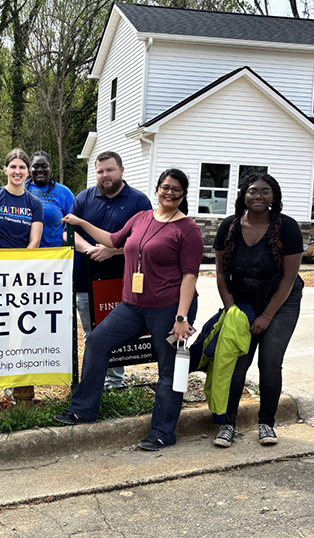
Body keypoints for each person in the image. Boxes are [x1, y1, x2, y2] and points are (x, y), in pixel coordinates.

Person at [56, 169, 203, 451]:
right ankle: (83, 410)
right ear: (157, 189)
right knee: (97, 341)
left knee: (169, 369)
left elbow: (189, 276)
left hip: (170, 309)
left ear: (183, 193)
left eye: (175, 189)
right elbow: (113, 241)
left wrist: (182, 318)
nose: (169, 193)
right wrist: (81, 222)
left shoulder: (188, 229)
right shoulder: (141, 218)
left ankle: (163, 432)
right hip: (133, 306)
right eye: (164, 187)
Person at [213, 172, 304, 448]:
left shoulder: (287, 228)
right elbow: (220, 273)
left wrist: (267, 316)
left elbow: (288, 278)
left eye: (265, 192)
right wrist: (231, 310)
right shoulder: (228, 226)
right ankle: (227, 425)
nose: (258, 197)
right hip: (242, 303)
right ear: (243, 194)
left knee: (269, 363)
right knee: (237, 362)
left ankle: (266, 423)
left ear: (273, 197)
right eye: (253, 191)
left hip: (282, 301)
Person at [71, 152, 152, 390]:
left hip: (123, 281)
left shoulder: (138, 201)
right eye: (100, 171)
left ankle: (115, 382)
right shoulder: (84, 198)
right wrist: (88, 250)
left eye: (110, 170)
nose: (105, 175)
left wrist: (112, 251)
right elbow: (70, 231)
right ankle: (93, 382)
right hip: (86, 280)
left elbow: (145, 239)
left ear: (122, 170)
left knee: (116, 333)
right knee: (91, 333)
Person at [0, 148, 45, 405]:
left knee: (17, 333)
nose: (17, 171)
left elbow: (35, 241)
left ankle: (12, 386)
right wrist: (3, 267)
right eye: (13, 167)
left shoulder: (34, 203)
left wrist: (18, 269)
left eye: (22, 167)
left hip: (22, 276)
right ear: (5, 169)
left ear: (28, 172)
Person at [26, 151, 74, 248]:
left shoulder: (64, 192)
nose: (40, 170)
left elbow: (73, 222)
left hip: (54, 254)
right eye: (35, 166)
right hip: (23, 252)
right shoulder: (21, 188)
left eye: (44, 166)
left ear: (50, 168)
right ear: (30, 169)